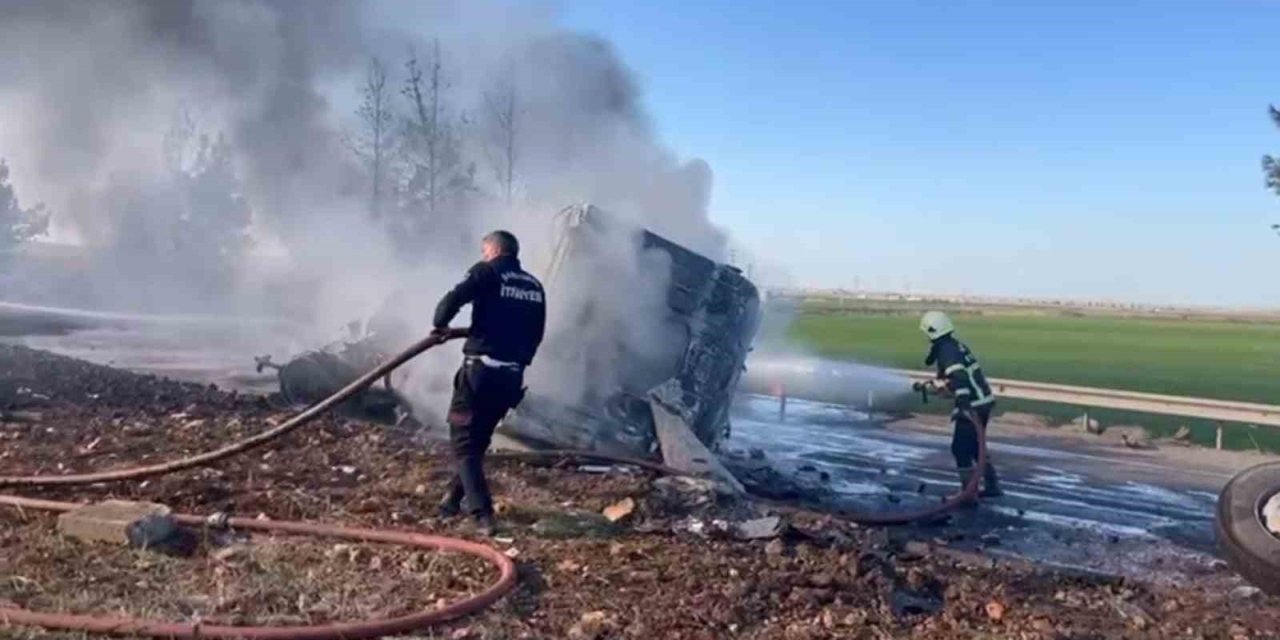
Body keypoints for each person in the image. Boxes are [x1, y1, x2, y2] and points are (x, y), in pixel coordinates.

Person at [431, 230, 546, 535]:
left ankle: (482, 514)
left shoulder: (487, 272)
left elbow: (451, 301)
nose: (482, 256)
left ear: (494, 250)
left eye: (484, 251)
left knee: (464, 443)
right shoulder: (534, 286)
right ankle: (450, 503)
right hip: (511, 378)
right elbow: (536, 334)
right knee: (477, 440)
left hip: (480, 373)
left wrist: (440, 325)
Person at [919, 310, 1003, 500]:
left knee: (959, 448)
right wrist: (941, 388)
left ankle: (968, 493)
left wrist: (963, 406)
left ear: (931, 331)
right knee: (975, 447)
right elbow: (956, 380)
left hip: (973, 405)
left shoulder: (947, 350)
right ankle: (992, 485)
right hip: (982, 402)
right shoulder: (953, 346)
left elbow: (960, 378)